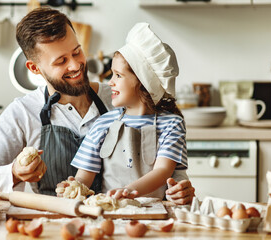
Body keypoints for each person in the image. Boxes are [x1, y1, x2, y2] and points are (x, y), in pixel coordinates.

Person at [0, 8, 194, 204]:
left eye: (77, 52)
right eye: (61, 61)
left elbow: (170, 169)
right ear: (35, 69)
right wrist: (14, 173)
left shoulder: (118, 98)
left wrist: (181, 188)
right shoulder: (23, 113)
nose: (76, 65)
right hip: (53, 227)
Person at [59, 22, 188, 200]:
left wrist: (128, 191)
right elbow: (84, 176)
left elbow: (162, 170)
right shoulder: (103, 123)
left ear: (143, 81)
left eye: (118, 75)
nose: (110, 82)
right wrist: (73, 187)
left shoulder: (172, 124)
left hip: (157, 213)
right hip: (111, 211)